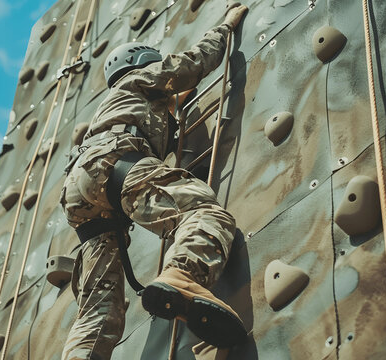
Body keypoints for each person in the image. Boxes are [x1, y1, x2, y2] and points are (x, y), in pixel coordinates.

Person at [60, 5, 249, 360]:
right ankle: (184, 275)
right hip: (113, 165)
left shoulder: (116, 103)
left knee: (100, 308)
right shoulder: (139, 79)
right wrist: (225, 28)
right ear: (143, 60)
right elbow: (189, 65)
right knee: (204, 213)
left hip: (81, 193)